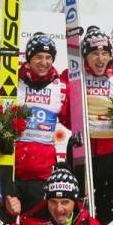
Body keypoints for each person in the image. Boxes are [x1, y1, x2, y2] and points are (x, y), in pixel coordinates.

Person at [79, 26, 113, 225]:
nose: (100, 59)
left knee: (109, 214)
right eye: (94, 53)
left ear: (111, 54)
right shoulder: (75, 75)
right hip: (82, 154)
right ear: (85, 56)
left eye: (104, 53)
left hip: (112, 156)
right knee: (79, 210)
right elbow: (67, 113)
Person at [14, 32, 71, 206]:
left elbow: (71, 121)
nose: (44, 62)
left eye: (48, 57)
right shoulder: (13, 81)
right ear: (29, 58)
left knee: (37, 224)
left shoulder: (60, 87)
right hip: (12, 167)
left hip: (42, 172)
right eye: (38, 57)